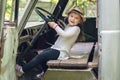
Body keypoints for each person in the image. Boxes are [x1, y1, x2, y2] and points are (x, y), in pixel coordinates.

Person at [16, 7, 86, 79]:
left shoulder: (76, 29)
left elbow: (65, 34)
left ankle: (22, 70)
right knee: (41, 54)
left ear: (80, 21)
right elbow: (65, 30)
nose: (73, 19)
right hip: (56, 48)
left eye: (76, 18)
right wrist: (59, 23)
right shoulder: (69, 26)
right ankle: (45, 72)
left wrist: (55, 26)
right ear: (68, 16)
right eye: (71, 16)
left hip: (61, 52)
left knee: (42, 56)